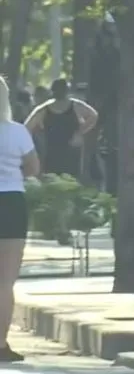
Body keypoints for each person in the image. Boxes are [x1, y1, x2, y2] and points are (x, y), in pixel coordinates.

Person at [0, 76, 40, 362]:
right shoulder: (17, 133)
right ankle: (1, 344)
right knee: (5, 281)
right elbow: (33, 167)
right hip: (12, 202)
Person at [25, 79, 98, 178]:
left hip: (72, 151)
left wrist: (79, 133)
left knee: (71, 181)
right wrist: (33, 145)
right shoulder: (44, 109)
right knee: (52, 180)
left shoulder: (75, 105)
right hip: (51, 151)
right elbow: (27, 127)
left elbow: (93, 115)